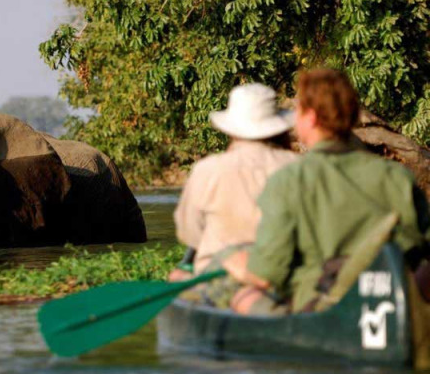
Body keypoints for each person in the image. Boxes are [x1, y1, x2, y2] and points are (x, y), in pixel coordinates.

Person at [231, 68, 430, 314]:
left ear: (311, 117)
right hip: (390, 310)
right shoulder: (398, 177)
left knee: (245, 297)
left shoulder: (289, 181)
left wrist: (238, 266)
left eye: (298, 111)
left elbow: (265, 275)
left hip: (319, 313)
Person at [170, 83, 297, 288]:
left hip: (220, 280)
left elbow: (189, 234)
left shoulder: (208, 169)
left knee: (177, 277)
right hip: (286, 278)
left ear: (231, 129)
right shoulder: (301, 167)